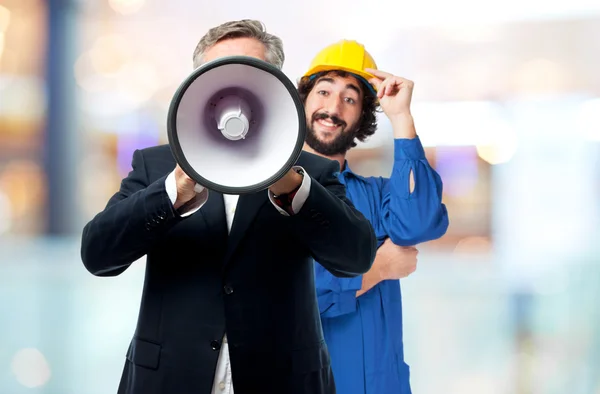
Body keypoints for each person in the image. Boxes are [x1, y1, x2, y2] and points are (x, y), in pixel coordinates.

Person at [80, 21, 377, 394]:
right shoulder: (156, 166)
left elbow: (356, 256)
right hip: (169, 380)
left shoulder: (312, 171)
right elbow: (98, 254)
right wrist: (173, 191)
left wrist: (296, 190)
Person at [297, 40, 450, 394]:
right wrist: (378, 268)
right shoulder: (268, 196)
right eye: (323, 91)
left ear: (361, 118)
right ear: (301, 102)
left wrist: (401, 118)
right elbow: (284, 301)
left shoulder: (378, 194)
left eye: (350, 99)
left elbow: (419, 222)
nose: (333, 107)